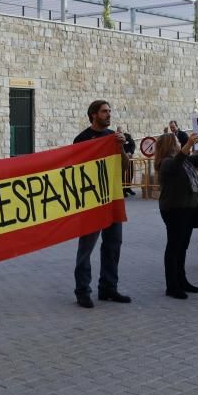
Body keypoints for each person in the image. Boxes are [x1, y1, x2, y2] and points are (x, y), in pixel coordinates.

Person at [73, 101, 131, 308]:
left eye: (109, 111)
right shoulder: (81, 139)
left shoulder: (112, 138)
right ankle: (82, 291)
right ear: (93, 115)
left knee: (113, 245)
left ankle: (108, 288)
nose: (108, 114)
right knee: (86, 249)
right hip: (91, 201)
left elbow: (125, 167)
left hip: (112, 198)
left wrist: (121, 147)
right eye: (104, 111)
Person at [155, 132, 198, 299]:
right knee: (174, 247)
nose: (180, 143)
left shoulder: (185, 160)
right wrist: (188, 146)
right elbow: (175, 163)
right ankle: (172, 286)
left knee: (182, 246)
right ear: (170, 144)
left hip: (187, 209)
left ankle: (182, 280)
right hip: (174, 210)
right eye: (177, 141)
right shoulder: (165, 163)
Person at [119, 125, 136, 196]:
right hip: (120, 159)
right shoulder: (115, 138)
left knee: (130, 173)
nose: (120, 133)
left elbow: (132, 145)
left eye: (121, 132)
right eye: (118, 132)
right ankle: (123, 190)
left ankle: (128, 188)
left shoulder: (128, 137)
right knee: (121, 175)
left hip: (129, 158)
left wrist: (130, 152)